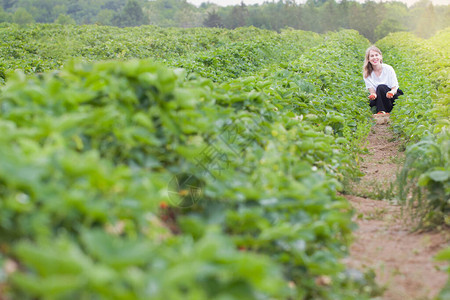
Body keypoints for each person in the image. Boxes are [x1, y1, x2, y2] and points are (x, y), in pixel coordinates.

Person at [363, 45, 403, 115]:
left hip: (392, 95)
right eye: (372, 56)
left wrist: (391, 93)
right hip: (379, 97)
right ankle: (383, 111)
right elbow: (372, 92)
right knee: (372, 101)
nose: (375, 58)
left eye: (376, 55)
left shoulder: (388, 68)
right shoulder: (367, 73)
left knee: (381, 87)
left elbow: (394, 88)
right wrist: (373, 96)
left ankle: (381, 111)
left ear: (380, 57)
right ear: (368, 59)